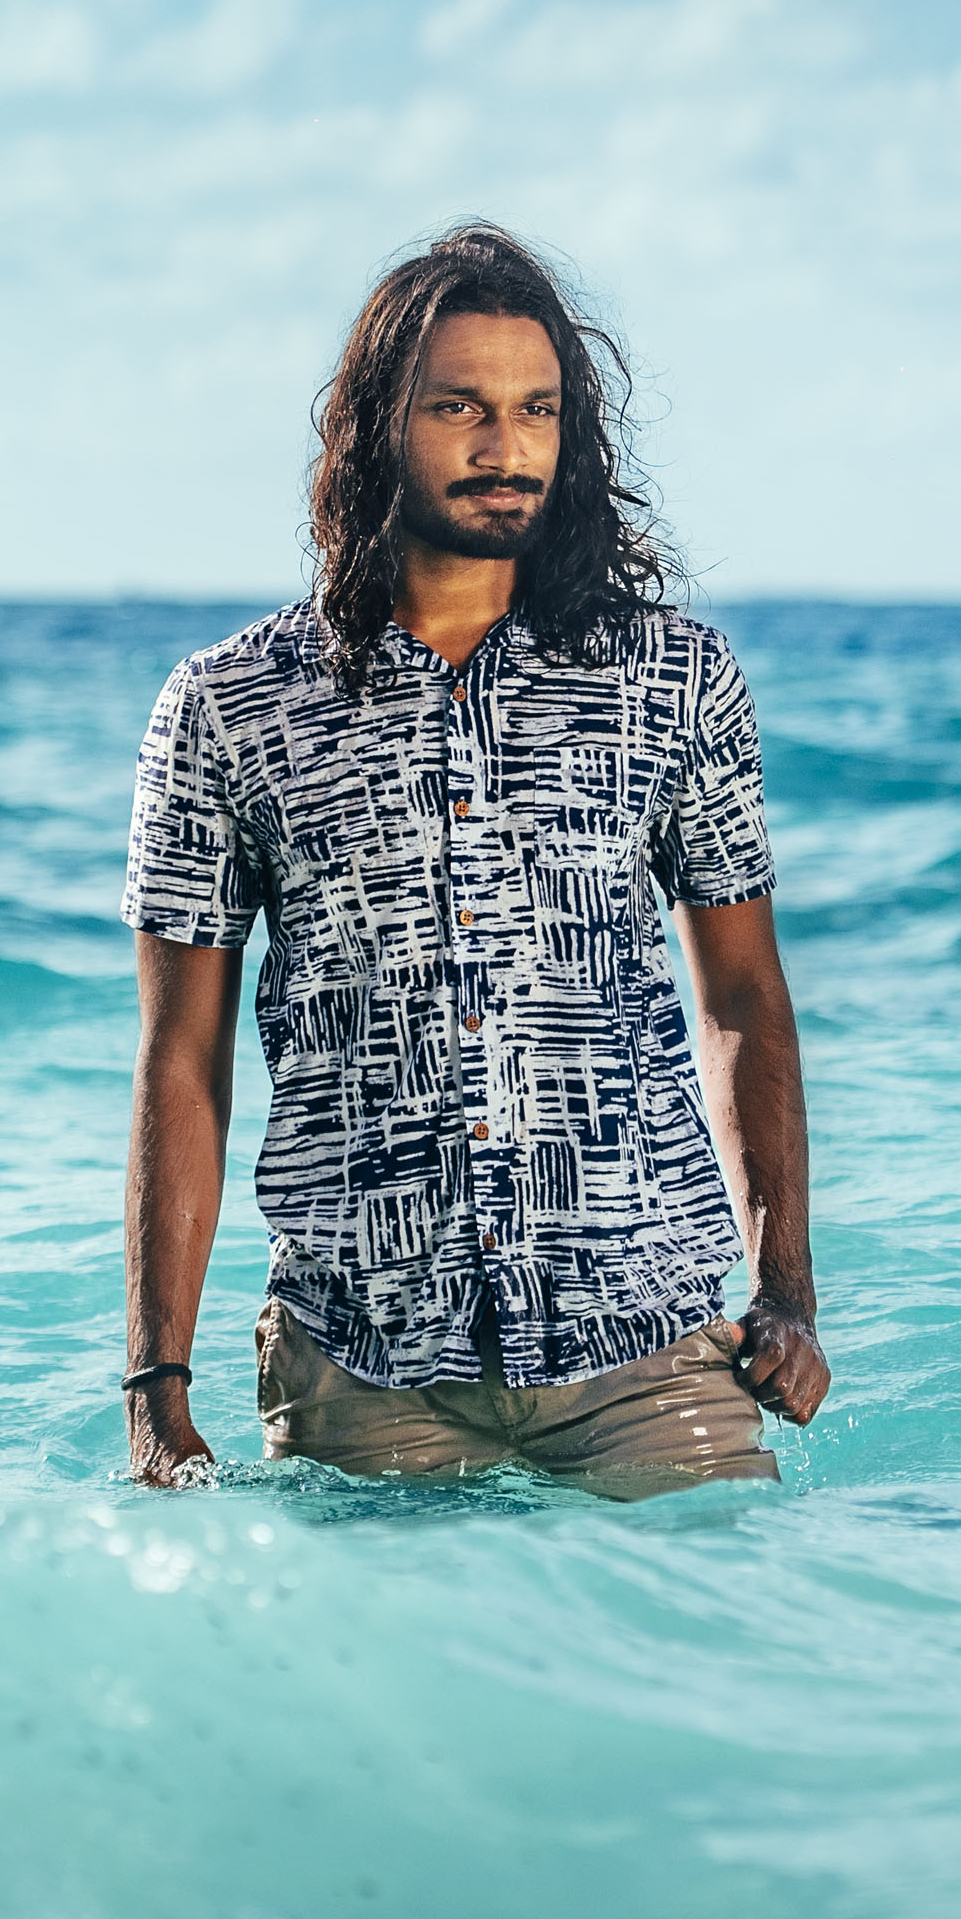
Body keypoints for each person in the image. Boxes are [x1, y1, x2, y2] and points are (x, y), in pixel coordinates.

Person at [116, 223, 830, 1498]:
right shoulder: (232, 706)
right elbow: (182, 1061)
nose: (506, 449)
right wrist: (155, 1392)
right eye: (462, 408)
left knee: (713, 1684)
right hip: (363, 1365)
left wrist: (786, 1293)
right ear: (379, 422)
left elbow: (739, 997)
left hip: (647, 1345)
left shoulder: (674, 679)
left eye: (536, 411)